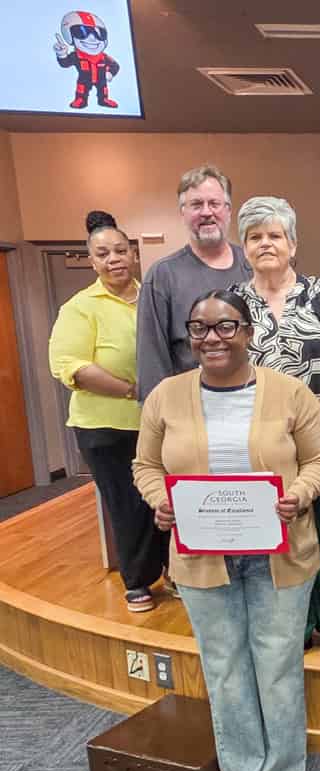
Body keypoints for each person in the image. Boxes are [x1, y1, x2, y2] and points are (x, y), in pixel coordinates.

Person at [133, 289, 320, 771]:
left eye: (225, 326)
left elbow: (319, 460)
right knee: (224, 669)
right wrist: (161, 501)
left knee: (277, 667)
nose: (211, 338)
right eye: (199, 328)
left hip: (281, 554)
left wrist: (299, 493)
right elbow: (145, 466)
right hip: (202, 559)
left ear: (248, 332)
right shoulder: (165, 397)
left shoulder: (290, 392)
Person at [229, 196, 320, 659]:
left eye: (274, 235)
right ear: (243, 246)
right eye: (254, 236)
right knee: (278, 538)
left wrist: (309, 432)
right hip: (257, 448)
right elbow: (224, 372)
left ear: (292, 242)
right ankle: (296, 623)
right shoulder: (233, 303)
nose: (265, 243)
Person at [48, 211, 168, 613]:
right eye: (103, 253)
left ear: (133, 255)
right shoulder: (80, 307)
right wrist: (133, 390)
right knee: (126, 503)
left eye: (120, 250)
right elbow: (73, 368)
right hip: (105, 426)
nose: (114, 258)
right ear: (92, 261)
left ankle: (170, 569)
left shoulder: (151, 298)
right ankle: (136, 582)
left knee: (163, 501)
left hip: (156, 423)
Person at [136, 164, 252, 400]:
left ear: (228, 210)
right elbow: (151, 358)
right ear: (183, 213)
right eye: (196, 205)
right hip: (192, 406)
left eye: (214, 203)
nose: (206, 212)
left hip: (255, 403)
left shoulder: (253, 265)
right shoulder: (163, 275)